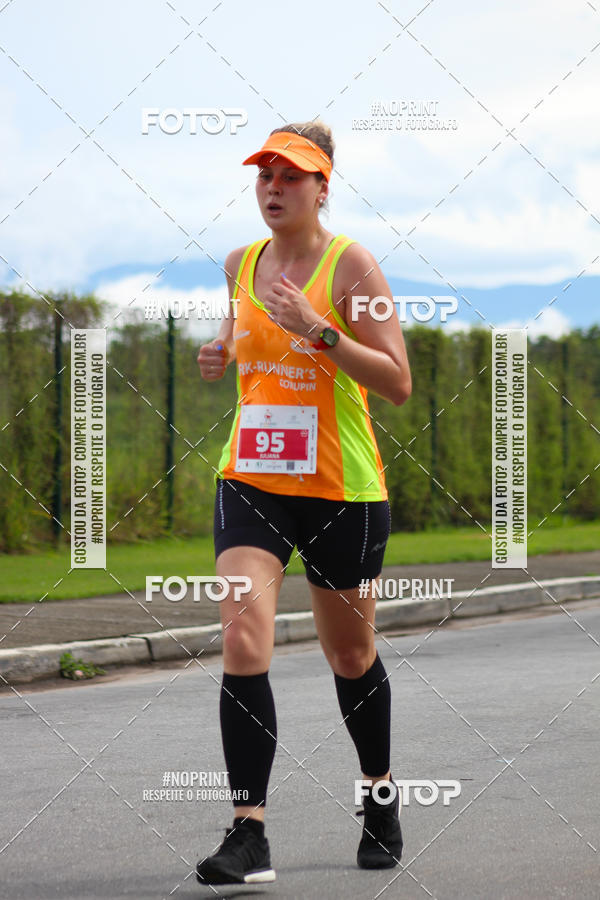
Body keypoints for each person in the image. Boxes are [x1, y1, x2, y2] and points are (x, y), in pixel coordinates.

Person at [195, 121, 412, 886]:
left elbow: (396, 381)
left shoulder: (352, 265)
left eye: (291, 176)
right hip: (252, 477)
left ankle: (380, 797)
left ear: (323, 188)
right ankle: (248, 833)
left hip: (339, 487)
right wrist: (219, 353)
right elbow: (242, 346)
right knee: (242, 637)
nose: (274, 188)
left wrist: (320, 331)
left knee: (350, 655)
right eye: (265, 175)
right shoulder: (240, 263)